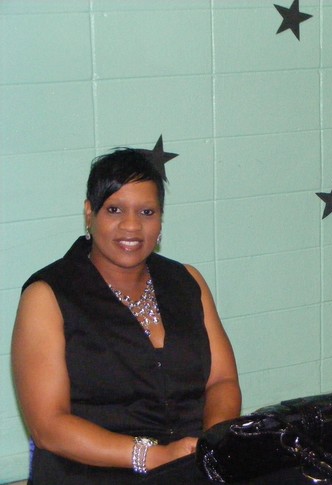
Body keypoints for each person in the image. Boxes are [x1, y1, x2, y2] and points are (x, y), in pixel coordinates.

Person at [11, 145, 241, 484]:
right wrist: (153, 456)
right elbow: (48, 426)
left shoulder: (187, 281)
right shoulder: (48, 295)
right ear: (89, 214)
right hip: (89, 473)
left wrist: (209, 446)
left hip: (190, 468)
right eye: (114, 210)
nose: (131, 226)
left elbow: (222, 381)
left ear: (160, 220)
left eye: (146, 212)